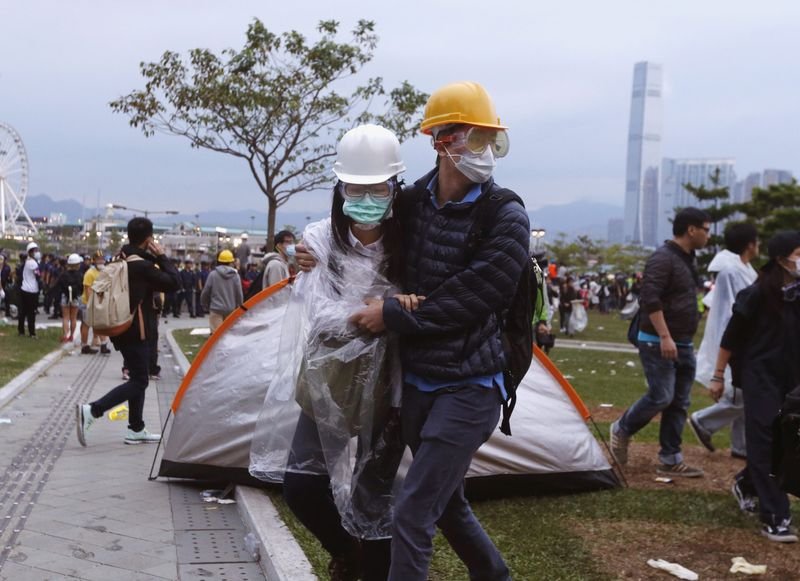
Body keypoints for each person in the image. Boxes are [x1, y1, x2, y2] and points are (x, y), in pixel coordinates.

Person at [347, 81, 528, 581]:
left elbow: (478, 296)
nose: (484, 152)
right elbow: (360, 234)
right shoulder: (410, 204)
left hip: (471, 387)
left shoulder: (506, 215)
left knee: (412, 509)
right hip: (416, 384)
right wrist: (314, 250)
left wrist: (395, 314)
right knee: (446, 504)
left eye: (490, 140)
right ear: (440, 141)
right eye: (474, 138)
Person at [250, 124, 409, 581]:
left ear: (394, 187)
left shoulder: (412, 241)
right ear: (340, 187)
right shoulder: (320, 238)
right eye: (354, 187)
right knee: (301, 486)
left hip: (391, 386)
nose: (365, 196)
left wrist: (387, 311)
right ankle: (346, 551)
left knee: (374, 497)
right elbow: (318, 313)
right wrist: (382, 312)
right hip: (332, 380)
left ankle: (372, 569)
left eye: (376, 187)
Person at [709, 231, 800, 543]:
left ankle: (748, 484)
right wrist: (718, 375)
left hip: (790, 380)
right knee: (763, 440)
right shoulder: (758, 292)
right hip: (759, 378)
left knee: (784, 441)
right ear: (782, 257)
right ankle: (775, 516)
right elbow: (731, 338)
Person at [610, 207, 711, 478]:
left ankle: (670, 457)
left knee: (679, 401)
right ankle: (622, 428)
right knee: (661, 396)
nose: (709, 235)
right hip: (658, 340)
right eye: (706, 229)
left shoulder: (688, 259)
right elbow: (650, 298)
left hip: (684, 341)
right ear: (692, 229)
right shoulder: (663, 258)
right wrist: (665, 336)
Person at [76, 217, 180, 447]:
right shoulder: (141, 266)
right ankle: (93, 410)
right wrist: (161, 256)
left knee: (137, 375)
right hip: (137, 331)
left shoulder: (120, 258)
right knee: (141, 380)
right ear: (148, 239)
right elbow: (174, 282)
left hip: (121, 329)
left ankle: (136, 428)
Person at [688, 223, 759, 459]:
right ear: (750, 244)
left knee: (744, 396)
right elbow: (732, 308)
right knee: (740, 395)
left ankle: (741, 447)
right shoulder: (733, 271)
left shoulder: (745, 268)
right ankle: (703, 421)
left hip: (744, 337)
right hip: (737, 338)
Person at [200, 250, 243, 333]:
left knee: (216, 336)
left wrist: (204, 304)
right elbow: (239, 294)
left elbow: (206, 291)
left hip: (216, 309)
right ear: (231, 262)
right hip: (231, 310)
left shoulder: (213, 274)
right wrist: (239, 307)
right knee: (228, 335)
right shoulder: (236, 276)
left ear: (219, 261)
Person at [81, 252, 111, 354]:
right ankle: (84, 346)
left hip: (100, 302)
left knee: (100, 324)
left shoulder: (104, 272)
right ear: (94, 261)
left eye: (102, 259)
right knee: (86, 324)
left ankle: (103, 345)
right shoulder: (90, 273)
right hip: (88, 303)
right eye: (98, 259)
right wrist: (91, 304)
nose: (101, 261)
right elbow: (87, 290)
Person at [57, 254, 84, 343]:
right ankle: (71, 336)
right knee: (73, 318)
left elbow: (59, 286)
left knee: (65, 317)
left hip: (65, 297)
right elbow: (81, 288)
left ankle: (65, 335)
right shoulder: (80, 275)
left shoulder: (63, 274)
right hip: (75, 297)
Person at [18, 241, 41, 338]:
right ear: (31, 252)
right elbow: (38, 275)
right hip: (32, 290)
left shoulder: (27, 262)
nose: (37, 252)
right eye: (35, 251)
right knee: (31, 312)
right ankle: (32, 332)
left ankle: (21, 330)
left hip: (24, 288)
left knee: (23, 311)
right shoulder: (33, 263)